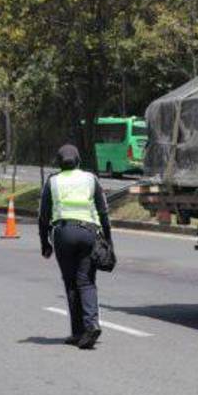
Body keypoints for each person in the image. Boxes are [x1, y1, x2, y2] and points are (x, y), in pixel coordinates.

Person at [39, 144, 113, 350]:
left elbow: (43, 216)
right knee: (87, 281)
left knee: (71, 282)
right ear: (79, 161)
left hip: (63, 233)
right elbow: (103, 212)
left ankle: (78, 331)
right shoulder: (91, 179)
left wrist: (44, 243)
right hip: (88, 233)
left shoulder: (53, 181)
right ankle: (92, 324)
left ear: (59, 163)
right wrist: (108, 241)